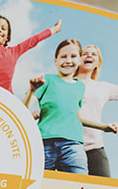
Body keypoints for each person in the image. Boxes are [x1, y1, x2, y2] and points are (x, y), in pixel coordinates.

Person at [0, 0, 62, 93]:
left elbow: (33, 40)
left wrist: (54, 30)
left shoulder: (14, 52)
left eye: (3, 29)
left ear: (7, 38)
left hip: (5, 99)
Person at [26, 38, 88, 175]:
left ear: (79, 60)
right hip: (45, 143)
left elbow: (77, 116)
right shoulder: (47, 80)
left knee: (80, 185)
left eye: (73, 56)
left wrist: (103, 126)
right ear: (56, 61)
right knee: (39, 184)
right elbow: (23, 110)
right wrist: (31, 90)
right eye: (63, 57)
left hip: (73, 145)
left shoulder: (80, 87)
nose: (68, 60)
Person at [76, 44, 118, 177]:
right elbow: (46, 108)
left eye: (93, 54)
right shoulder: (65, 84)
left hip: (94, 148)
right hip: (68, 147)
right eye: (85, 53)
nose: (89, 55)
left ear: (97, 64)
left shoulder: (102, 87)